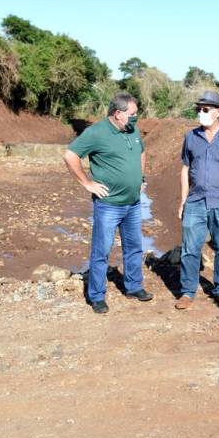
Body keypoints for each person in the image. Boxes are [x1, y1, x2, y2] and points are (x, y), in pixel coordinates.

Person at [63, 92, 154, 314]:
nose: (136, 118)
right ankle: (96, 296)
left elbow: (141, 153)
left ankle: (134, 287)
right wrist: (87, 183)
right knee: (101, 251)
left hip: (133, 203)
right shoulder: (96, 132)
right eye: (132, 114)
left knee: (134, 247)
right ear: (117, 113)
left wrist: (140, 179)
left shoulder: (131, 130)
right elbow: (70, 156)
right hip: (108, 205)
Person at [175, 90, 219, 310]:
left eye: (206, 109)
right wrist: (183, 201)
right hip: (195, 202)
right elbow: (185, 169)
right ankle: (187, 292)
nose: (201, 113)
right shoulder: (191, 137)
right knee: (190, 248)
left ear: (218, 112)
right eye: (198, 109)